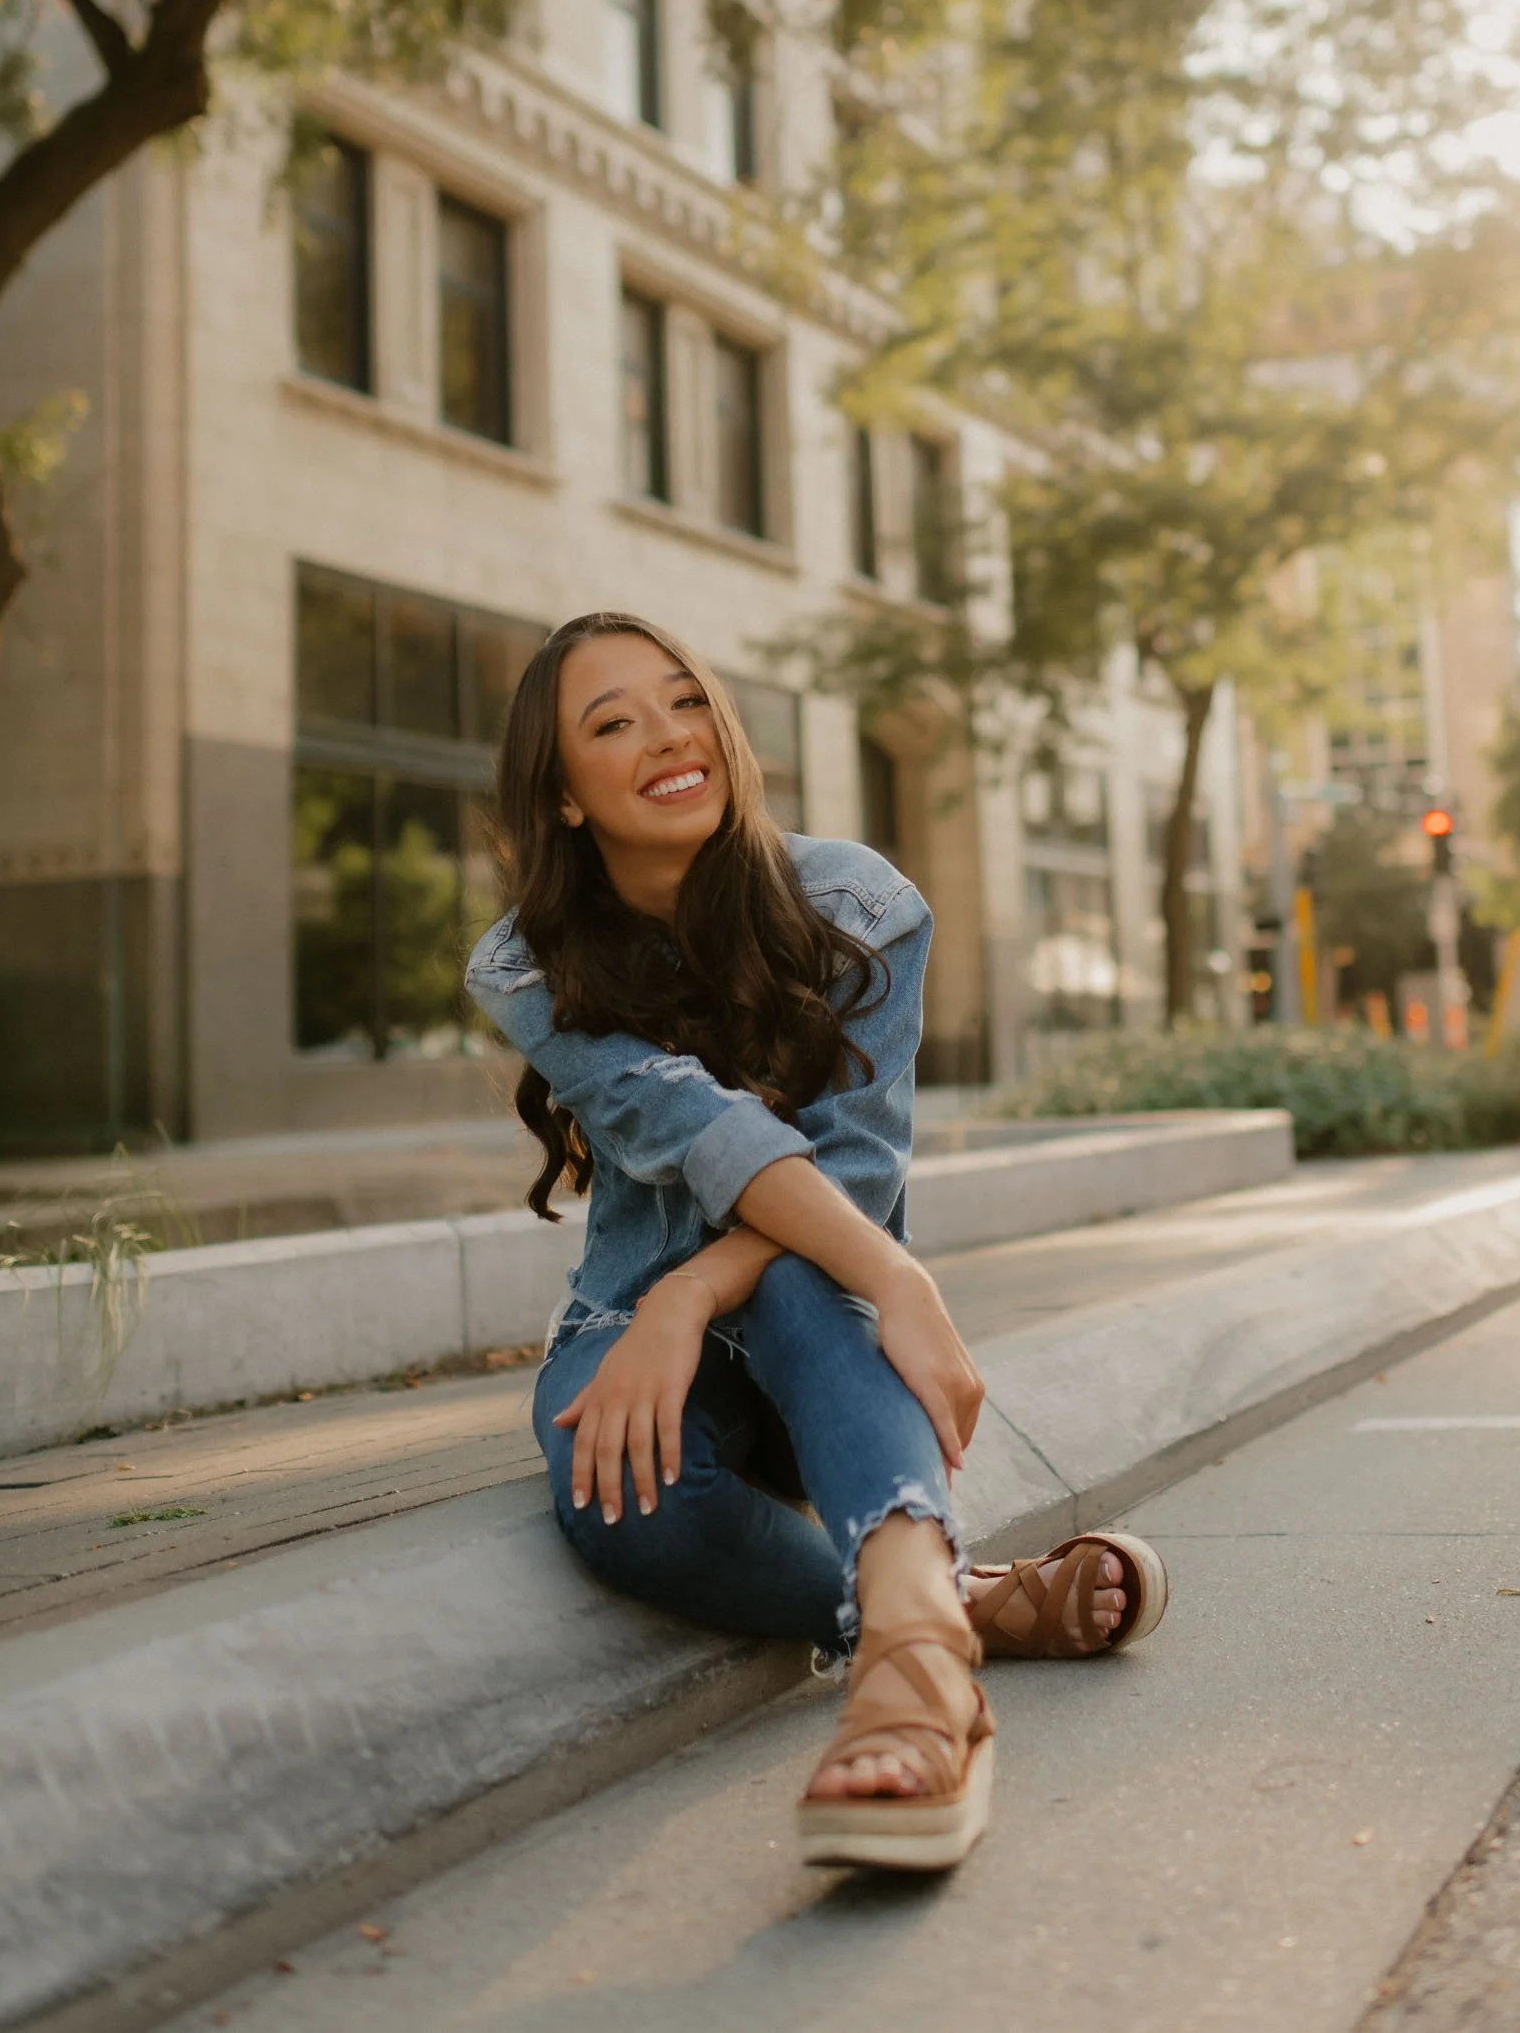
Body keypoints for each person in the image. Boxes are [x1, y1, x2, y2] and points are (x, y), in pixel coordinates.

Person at [466, 610, 1166, 1872]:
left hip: (825, 1328)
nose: (666, 737)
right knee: (614, 1499)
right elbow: (684, 1124)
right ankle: (956, 1611)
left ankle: (908, 1679)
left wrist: (757, 1282)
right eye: (611, 723)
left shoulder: (857, 904)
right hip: (636, 1319)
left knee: (799, 1271)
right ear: (563, 795)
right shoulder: (528, 963)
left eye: (684, 701)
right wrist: (686, 1301)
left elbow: (848, 1170)